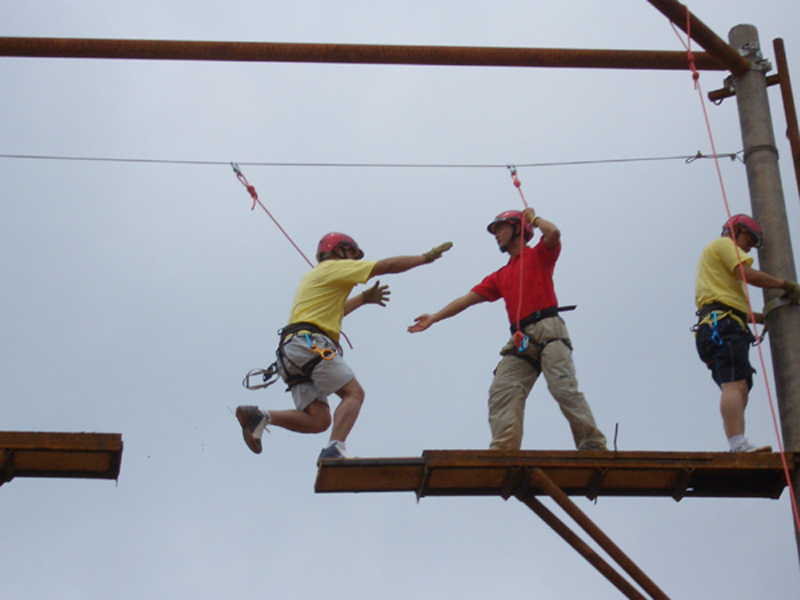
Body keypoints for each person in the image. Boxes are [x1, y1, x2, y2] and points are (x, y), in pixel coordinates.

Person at [236, 232, 452, 462]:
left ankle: (260, 416)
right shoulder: (333, 268)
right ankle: (334, 449)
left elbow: (334, 311)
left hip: (292, 351)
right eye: (351, 253)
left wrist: (363, 299)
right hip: (309, 344)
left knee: (319, 420)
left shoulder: (318, 277)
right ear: (337, 250)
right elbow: (387, 265)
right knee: (354, 393)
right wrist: (424, 258)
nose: (354, 259)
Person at [409, 208, 607, 452]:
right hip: (521, 339)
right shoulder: (500, 275)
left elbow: (554, 233)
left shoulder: (539, 256)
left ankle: (593, 444)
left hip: (549, 331)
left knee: (563, 389)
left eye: (500, 228)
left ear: (518, 229)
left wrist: (533, 219)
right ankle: (504, 450)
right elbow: (467, 299)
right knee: (503, 389)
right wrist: (435, 317)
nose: (496, 235)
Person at [694, 214, 800, 452]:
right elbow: (748, 275)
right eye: (748, 240)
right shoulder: (723, 245)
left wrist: (767, 317)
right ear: (734, 230)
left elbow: (735, 308)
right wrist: (786, 285)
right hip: (722, 326)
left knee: (740, 386)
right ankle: (737, 444)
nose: (749, 247)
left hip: (722, 324)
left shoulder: (719, 275)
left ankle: (738, 442)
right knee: (733, 384)